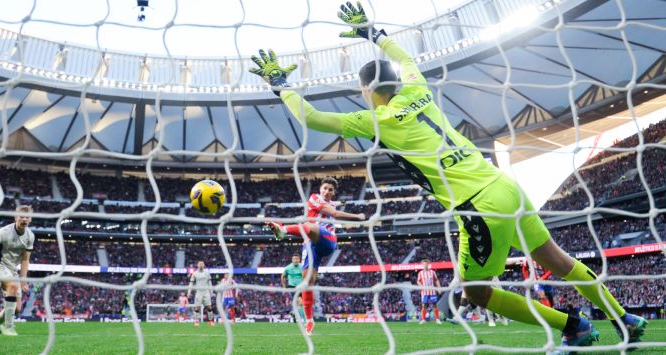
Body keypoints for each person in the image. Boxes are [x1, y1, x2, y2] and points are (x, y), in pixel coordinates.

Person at [248, 1, 647, 350]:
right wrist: (376, 34)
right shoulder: (418, 88)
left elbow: (313, 116)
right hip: (506, 186)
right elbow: (407, 61)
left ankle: (573, 327)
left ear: (369, 90)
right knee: (557, 260)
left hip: (479, 205)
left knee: (477, 290)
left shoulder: (379, 118)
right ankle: (623, 319)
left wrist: (280, 85)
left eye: (362, 88)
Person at [264, 177, 365, 336]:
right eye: (325, 188)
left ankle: (282, 230)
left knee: (310, 226)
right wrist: (357, 216)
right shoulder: (314, 198)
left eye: (330, 190)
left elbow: (332, 211)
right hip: (310, 245)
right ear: (320, 189)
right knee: (307, 283)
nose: (327, 191)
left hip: (327, 240)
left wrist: (348, 211)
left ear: (334, 192)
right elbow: (333, 213)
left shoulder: (328, 203)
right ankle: (309, 321)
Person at [0, 205, 35, 336]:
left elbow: (25, 260)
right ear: (15, 217)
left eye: (27, 217)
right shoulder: (4, 231)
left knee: (17, 309)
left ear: (30, 220)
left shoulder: (30, 236)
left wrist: (23, 280)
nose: (24, 219)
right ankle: (8, 327)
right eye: (21, 216)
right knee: (12, 285)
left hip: (12, 270)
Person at [188, 261, 214, 326]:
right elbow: (191, 283)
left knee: (209, 307)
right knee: (197, 307)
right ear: (197, 265)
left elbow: (209, 283)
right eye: (199, 264)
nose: (201, 265)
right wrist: (189, 291)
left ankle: (210, 321)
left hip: (206, 292)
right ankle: (196, 321)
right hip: (199, 292)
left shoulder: (207, 273)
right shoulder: (194, 273)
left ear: (204, 265)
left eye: (202, 264)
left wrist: (211, 291)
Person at [281, 254, 306, 323]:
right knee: (300, 302)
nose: (295, 260)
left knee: (304, 303)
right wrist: (284, 287)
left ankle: (294, 313)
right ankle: (305, 321)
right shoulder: (288, 268)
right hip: (293, 287)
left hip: (302, 287)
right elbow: (283, 276)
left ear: (299, 260)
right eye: (294, 259)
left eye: (297, 259)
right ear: (292, 260)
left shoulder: (302, 267)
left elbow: (306, 275)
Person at [416, 260, 441, 324]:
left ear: (428, 264)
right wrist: (421, 286)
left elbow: (436, 280)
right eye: (424, 264)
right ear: (422, 265)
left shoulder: (432, 272)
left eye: (426, 264)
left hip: (432, 291)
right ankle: (423, 319)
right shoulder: (420, 273)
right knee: (424, 305)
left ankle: (437, 319)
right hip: (424, 292)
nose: (425, 265)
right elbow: (418, 281)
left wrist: (439, 288)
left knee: (435, 304)